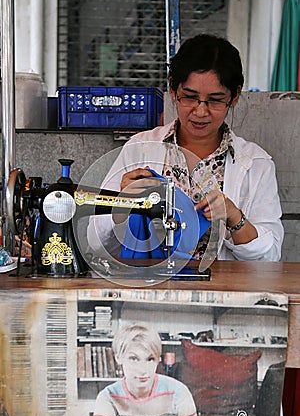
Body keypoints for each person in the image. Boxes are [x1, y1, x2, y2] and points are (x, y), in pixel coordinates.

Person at [87, 33, 283, 262]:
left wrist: (234, 217)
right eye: (189, 97)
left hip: (225, 293)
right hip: (149, 292)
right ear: (172, 89)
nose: (200, 111)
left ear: (235, 96)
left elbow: (270, 257)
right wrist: (122, 205)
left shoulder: (256, 164)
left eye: (215, 100)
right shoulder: (139, 149)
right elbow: (95, 242)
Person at [90, 323, 203, 416]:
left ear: (158, 359)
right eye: (133, 359)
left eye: (150, 359)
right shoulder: (108, 397)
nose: (143, 370)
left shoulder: (178, 392)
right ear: (118, 358)